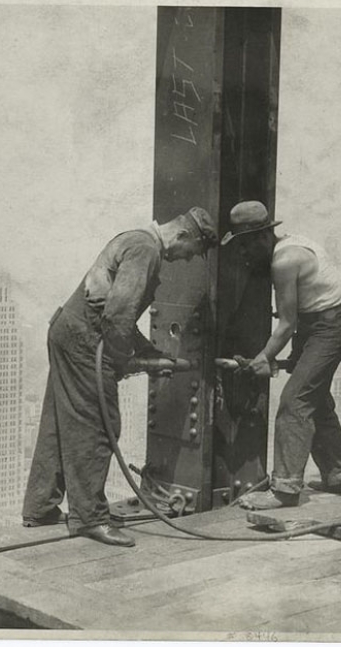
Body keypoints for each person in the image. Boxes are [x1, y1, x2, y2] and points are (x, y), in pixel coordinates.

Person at [22, 207, 218, 546]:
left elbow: (113, 310)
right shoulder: (146, 250)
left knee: (58, 422)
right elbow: (117, 315)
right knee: (99, 424)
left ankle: (40, 506)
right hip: (85, 342)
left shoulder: (135, 240)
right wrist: (126, 362)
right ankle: (90, 518)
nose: (187, 259)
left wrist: (148, 352)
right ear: (183, 235)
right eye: (192, 251)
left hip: (67, 331)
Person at [220, 200, 341, 510]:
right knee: (315, 400)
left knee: (294, 403)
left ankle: (284, 490)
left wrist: (263, 358)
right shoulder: (289, 244)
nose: (243, 253)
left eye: (246, 245)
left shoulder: (284, 261)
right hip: (320, 324)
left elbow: (286, 324)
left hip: (329, 328)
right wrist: (268, 356)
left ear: (263, 236)